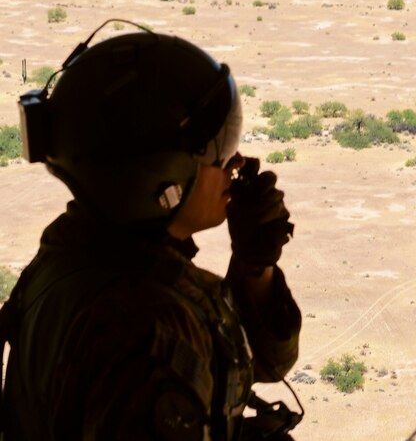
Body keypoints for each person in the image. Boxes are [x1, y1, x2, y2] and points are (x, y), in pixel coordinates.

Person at [0, 23, 302, 440]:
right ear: (162, 178)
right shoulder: (147, 327)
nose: (236, 164)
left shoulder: (77, 255)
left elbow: (255, 362)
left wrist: (255, 268)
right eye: (217, 152)